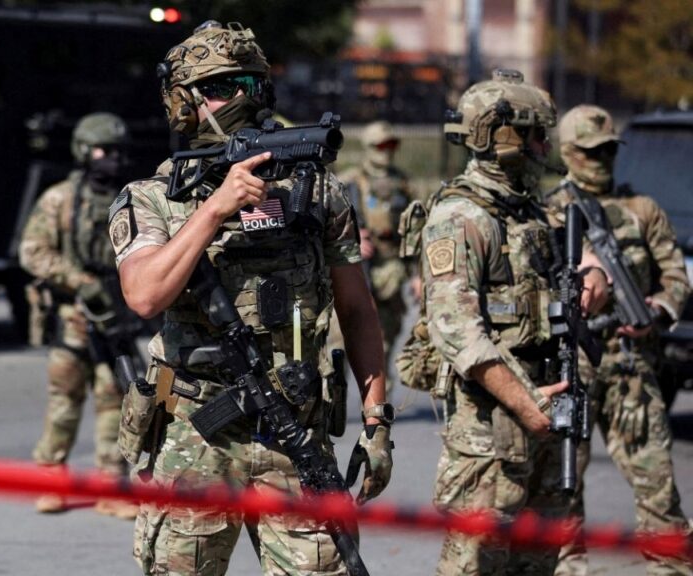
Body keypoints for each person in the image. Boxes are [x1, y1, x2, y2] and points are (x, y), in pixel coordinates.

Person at [110, 21, 392, 575]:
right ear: (183, 103)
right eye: (217, 88)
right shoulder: (151, 198)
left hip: (295, 431)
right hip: (194, 433)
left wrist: (377, 421)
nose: (237, 99)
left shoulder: (317, 193)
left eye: (249, 85)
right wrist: (215, 209)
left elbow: (358, 312)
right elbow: (144, 295)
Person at [420, 70, 609, 574]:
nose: (546, 146)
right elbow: (457, 331)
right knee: (477, 561)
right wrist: (526, 403)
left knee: (539, 562)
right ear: (503, 137)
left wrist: (594, 277)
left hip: (546, 415)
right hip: (491, 429)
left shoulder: (532, 213)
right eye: (537, 134)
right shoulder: (462, 218)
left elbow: (588, 262)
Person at [545, 105, 692, 576]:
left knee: (657, 485)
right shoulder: (548, 211)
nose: (603, 158)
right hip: (572, 369)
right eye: (592, 151)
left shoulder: (643, 209)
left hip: (631, 367)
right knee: (563, 488)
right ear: (567, 152)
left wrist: (655, 312)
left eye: (609, 149)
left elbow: (675, 277)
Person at [18, 112, 140, 519]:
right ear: (85, 152)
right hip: (73, 317)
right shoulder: (60, 199)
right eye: (106, 151)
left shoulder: (134, 199)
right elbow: (32, 251)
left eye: (120, 153)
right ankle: (51, 480)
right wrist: (77, 280)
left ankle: (112, 484)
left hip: (116, 316)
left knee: (115, 400)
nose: (114, 160)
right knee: (64, 403)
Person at [342, 120, 418, 376]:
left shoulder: (402, 183)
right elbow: (329, 225)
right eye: (380, 145)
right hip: (359, 268)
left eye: (390, 145)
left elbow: (415, 229)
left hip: (391, 268)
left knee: (385, 338)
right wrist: (353, 238)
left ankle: (379, 406)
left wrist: (418, 274)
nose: (386, 150)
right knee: (340, 341)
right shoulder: (350, 182)